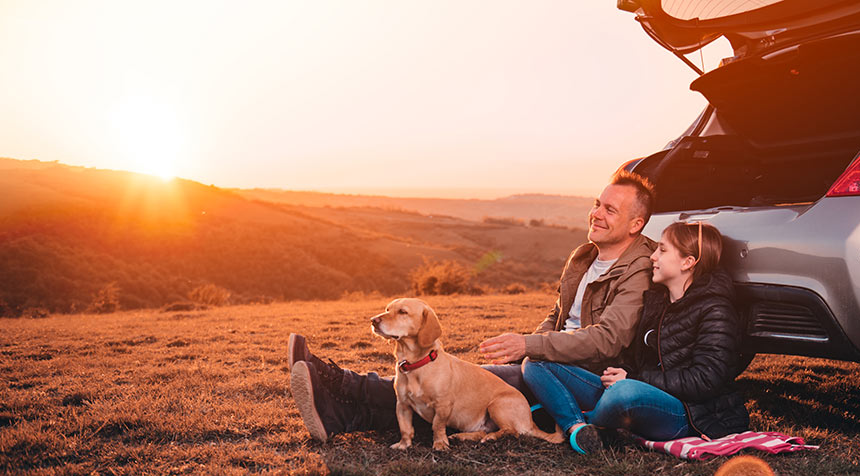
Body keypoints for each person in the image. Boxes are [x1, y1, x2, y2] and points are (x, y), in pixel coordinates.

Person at [288, 170, 659, 441]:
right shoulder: (584, 257)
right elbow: (558, 316)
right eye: (598, 203)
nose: (596, 213)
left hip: (582, 375)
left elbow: (608, 339)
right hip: (547, 361)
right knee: (448, 388)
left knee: (455, 387)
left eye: (611, 210)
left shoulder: (638, 270)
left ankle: (341, 386)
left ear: (635, 224)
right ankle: (343, 410)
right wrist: (530, 343)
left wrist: (529, 347)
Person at [522, 221, 750, 454]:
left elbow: (705, 380)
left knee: (624, 393)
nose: (652, 257)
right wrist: (617, 373)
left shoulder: (716, 310)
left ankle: (567, 414)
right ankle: (578, 428)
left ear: (688, 262)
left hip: (690, 413)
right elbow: (635, 359)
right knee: (535, 362)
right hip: (638, 392)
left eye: (662, 250)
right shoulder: (656, 301)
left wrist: (633, 379)